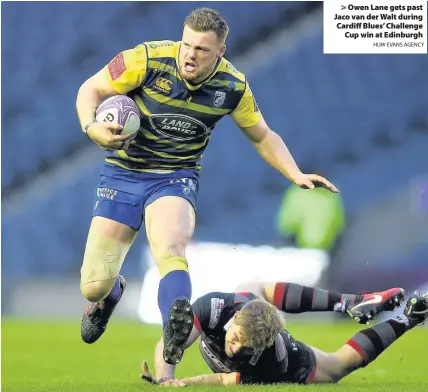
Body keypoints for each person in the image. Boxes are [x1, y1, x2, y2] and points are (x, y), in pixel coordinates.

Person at [75, 7, 339, 364]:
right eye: (186, 45)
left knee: (171, 248)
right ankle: (109, 295)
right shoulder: (147, 59)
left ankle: (174, 327)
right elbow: (91, 88)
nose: (190, 54)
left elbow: (262, 136)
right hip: (124, 172)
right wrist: (91, 127)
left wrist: (295, 174)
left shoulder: (232, 86)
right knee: (93, 284)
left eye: (201, 49)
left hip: (175, 176)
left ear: (220, 52)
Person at [139, 281, 417, 386]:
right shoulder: (216, 305)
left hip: (294, 361)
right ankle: (350, 301)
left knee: (337, 367)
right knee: (251, 287)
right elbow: (172, 339)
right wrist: (166, 376)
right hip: (248, 306)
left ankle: (409, 318)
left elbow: (224, 379)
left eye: (243, 348)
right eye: (235, 339)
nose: (234, 350)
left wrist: (184, 383)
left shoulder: (268, 359)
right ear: (235, 316)